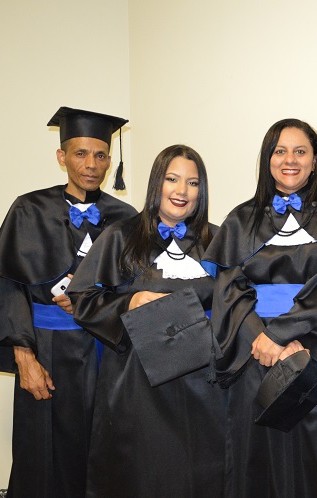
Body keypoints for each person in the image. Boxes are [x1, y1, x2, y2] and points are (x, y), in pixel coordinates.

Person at [0, 107, 137, 498]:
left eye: (101, 155)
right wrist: (23, 357)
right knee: (44, 457)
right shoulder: (28, 210)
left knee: (106, 451)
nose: (91, 164)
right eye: (80, 153)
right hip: (46, 350)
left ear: (110, 161)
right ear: (61, 157)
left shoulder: (126, 218)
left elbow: (134, 293)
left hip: (105, 351)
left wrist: (96, 305)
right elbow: (11, 288)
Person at [202, 118, 317, 498]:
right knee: (257, 459)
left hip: (316, 348)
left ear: (315, 160)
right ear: (267, 159)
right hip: (255, 351)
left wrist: (285, 336)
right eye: (280, 151)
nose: (290, 159)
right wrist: (264, 339)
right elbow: (228, 288)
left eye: (300, 151)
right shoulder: (241, 218)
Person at [67, 144, 225, 497]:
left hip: (204, 382)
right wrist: (132, 300)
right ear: (157, 183)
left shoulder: (216, 240)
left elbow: (235, 303)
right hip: (136, 384)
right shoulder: (121, 236)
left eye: (193, 182)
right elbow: (84, 299)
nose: (181, 191)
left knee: (200, 474)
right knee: (143, 474)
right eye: (172, 179)